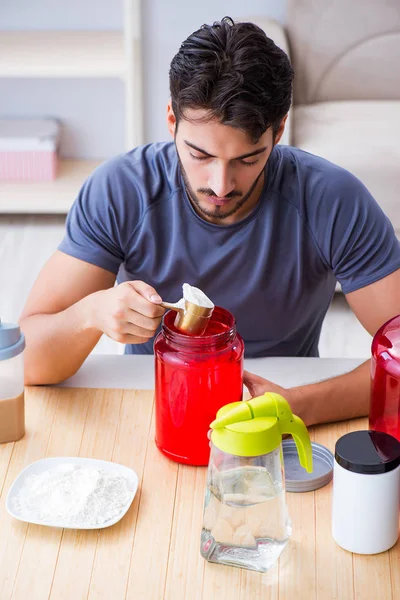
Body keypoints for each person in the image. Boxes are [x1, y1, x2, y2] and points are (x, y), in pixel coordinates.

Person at [20, 17, 400, 427]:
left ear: (279, 131)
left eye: (248, 159)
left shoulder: (332, 199)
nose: (220, 185)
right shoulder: (122, 190)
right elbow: (28, 363)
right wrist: (90, 314)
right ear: (171, 121)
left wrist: (301, 405)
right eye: (200, 155)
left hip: (286, 392)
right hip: (150, 396)